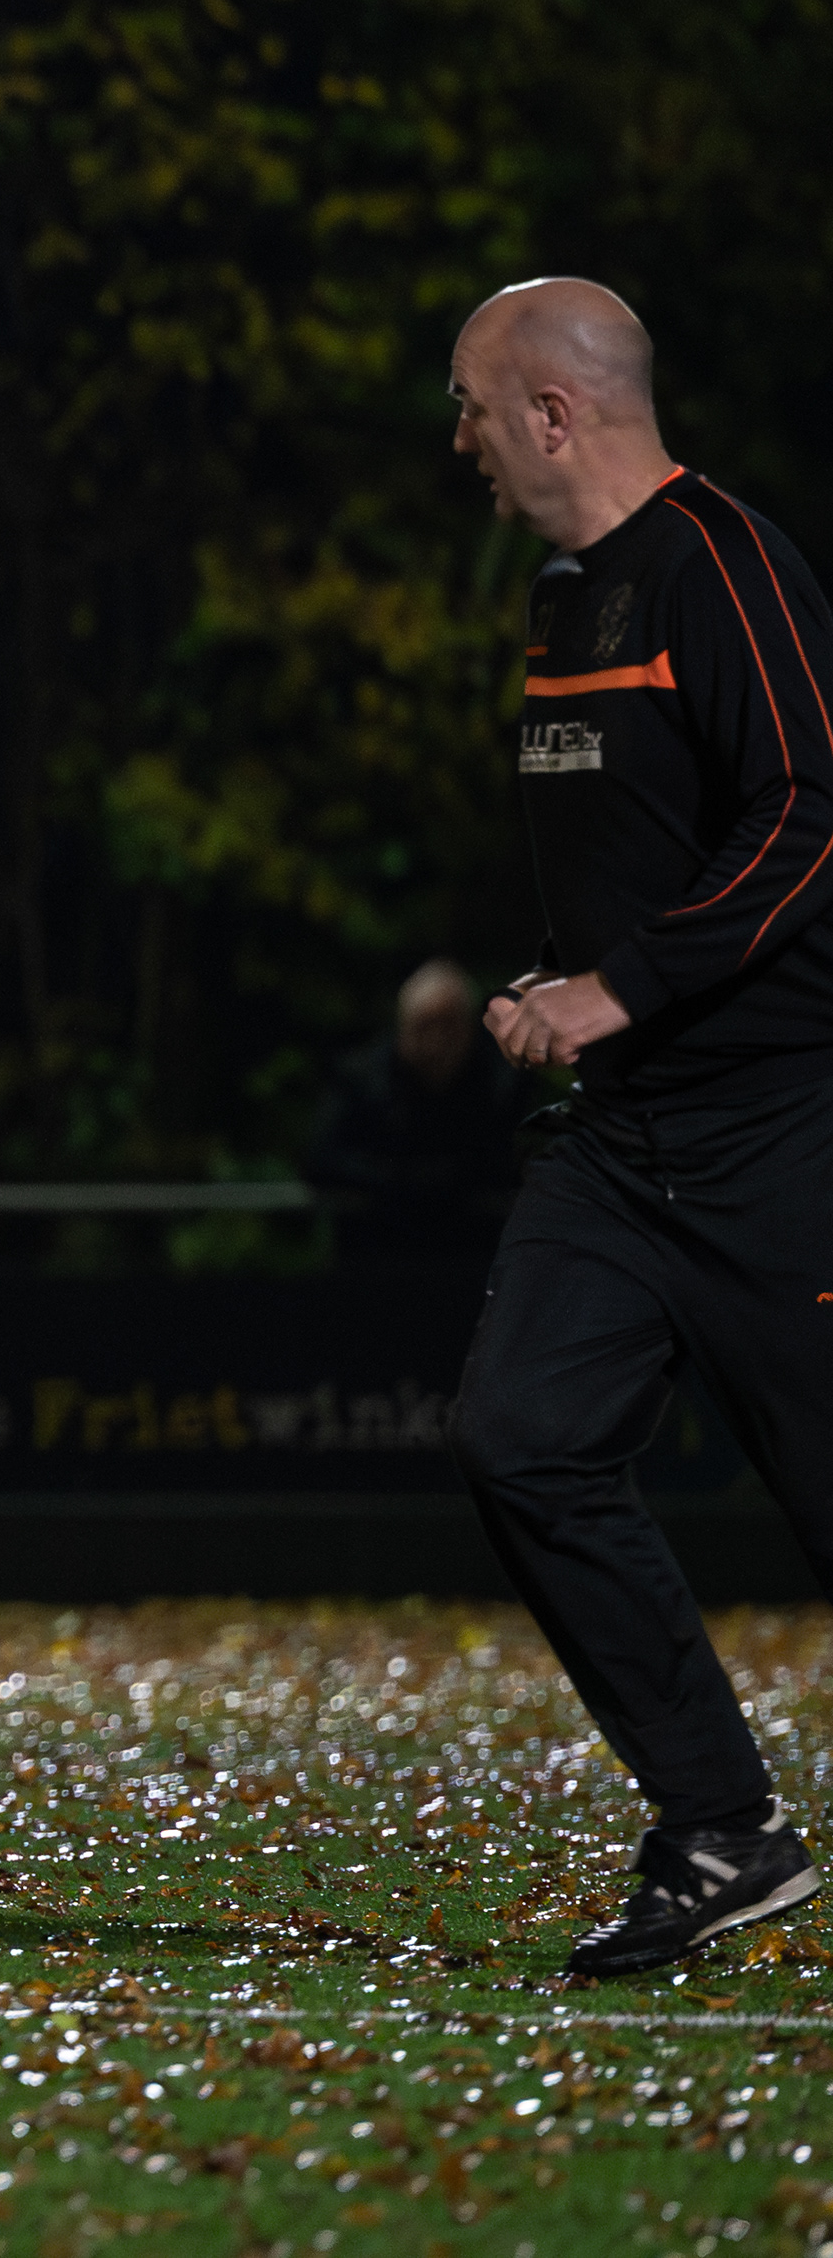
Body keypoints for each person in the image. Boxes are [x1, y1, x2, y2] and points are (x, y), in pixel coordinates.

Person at [447, 275, 833, 1975]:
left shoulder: (723, 563)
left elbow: (814, 809)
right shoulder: (563, 599)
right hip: (620, 1145)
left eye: (470, 405)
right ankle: (722, 1826)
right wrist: (563, 985)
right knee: (518, 1434)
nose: (460, 439)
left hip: (781, 1135)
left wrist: (623, 984)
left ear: (553, 411)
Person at [305, 958, 537, 1260]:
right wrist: (410, 1182)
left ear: (470, 1028)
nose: (436, 1042)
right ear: (402, 1025)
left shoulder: (502, 1084)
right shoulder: (360, 1078)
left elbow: (522, 1161)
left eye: (449, 1026)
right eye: (425, 1026)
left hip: (472, 1255)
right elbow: (321, 1159)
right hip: (377, 1252)